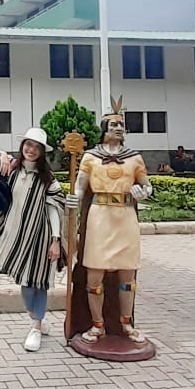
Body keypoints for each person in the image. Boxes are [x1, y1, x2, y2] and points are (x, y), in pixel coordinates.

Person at [67, 96, 153, 345]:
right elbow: (80, 188)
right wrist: (73, 199)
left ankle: (126, 323)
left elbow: (147, 187)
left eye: (121, 125)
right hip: (99, 217)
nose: (118, 129)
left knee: (128, 275)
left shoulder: (134, 158)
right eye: (113, 125)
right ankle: (97, 325)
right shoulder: (90, 157)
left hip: (125, 217)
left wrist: (142, 192)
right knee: (94, 274)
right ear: (104, 130)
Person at [0, 127, 65, 352]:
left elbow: (53, 211)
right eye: (28, 145)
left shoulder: (47, 179)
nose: (31, 150)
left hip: (40, 236)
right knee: (24, 280)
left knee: (37, 281)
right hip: (15, 235)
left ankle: (36, 326)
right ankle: (36, 317)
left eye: (36, 147)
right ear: (22, 147)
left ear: (41, 152)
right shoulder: (10, 169)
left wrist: (55, 240)